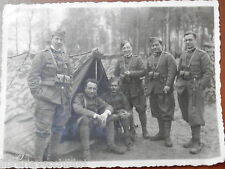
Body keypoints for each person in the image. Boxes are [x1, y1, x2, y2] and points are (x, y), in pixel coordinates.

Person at [28, 29, 72, 161]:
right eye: (57, 38)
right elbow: (32, 78)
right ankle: (38, 161)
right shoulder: (42, 55)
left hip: (62, 98)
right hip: (46, 99)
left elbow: (71, 76)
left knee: (58, 128)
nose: (59, 41)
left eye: (61, 39)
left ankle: (52, 158)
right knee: (42, 132)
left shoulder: (66, 56)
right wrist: (39, 95)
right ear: (52, 38)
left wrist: (68, 92)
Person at [175, 31, 213, 154]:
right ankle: (193, 139)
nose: (188, 42)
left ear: (195, 40)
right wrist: (179, 79)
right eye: (186, 40)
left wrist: (200, 85)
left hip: (195, 89)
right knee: (187, 113)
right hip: (184, 88)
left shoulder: (203, 55)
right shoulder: (183, 54)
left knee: (195, 114)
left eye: (190, 39)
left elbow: (209, 73)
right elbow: (179, 69)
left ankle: (197, 142)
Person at [72, 79, 125, 160]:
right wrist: (96, 115)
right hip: (77, 128)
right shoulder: (79, 97)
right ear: (84, 88)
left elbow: (109, 106)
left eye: (94, 89)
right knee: (84, 119)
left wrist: (105, 114)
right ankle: (86, 151)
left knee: (110, 118)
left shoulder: (96, 99)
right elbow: (78, 109)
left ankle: (111, 145)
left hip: (93, 125)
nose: (92, 91)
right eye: (89, 88)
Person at [114, 40, 150, 139]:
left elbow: (143, 71)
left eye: (128, 47)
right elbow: (116, 73)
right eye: (124, 48)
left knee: (141, 110)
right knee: (128, 110)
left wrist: (131, 73)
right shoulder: (119, 61)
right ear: (122, 50)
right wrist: (121, 76)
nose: (126, 50)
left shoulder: (137, 59)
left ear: (131, 48)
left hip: (137, 89)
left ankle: (145, 130)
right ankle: (132, 130)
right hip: (125, 90)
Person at [145, 37, 177, 147]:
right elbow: (147, 73)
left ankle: (167, 136)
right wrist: (147, 86)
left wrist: (168, 85)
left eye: (156, 45)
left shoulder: (168, 57)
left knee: (166, 111)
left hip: (164, 89)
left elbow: (172, 71)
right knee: (157, 111)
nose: (154, 47)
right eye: (152, 46)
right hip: (153, 89)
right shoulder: (149, 58)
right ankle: (161, 133)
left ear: (161, 45)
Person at [101, 77, 133, 150]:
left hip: (120, 115)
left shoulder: (121, 96)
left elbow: (128, 109)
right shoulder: (104, 96)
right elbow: (102, 110)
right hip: (110, 116)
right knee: (113, 130)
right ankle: (111, 144)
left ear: (118, 87)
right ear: (109, 87)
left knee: (125, 117)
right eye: (112, 86)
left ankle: (127, 138)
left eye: (115, 86)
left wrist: (127, 114)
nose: (113, 88)